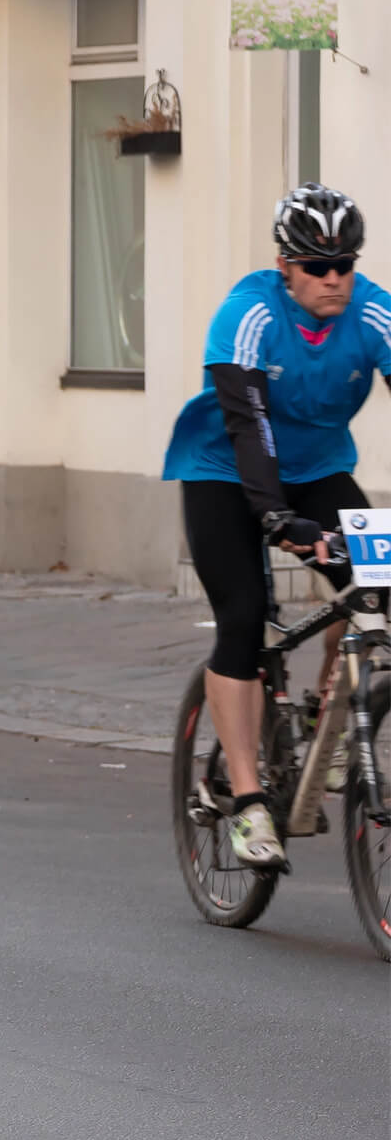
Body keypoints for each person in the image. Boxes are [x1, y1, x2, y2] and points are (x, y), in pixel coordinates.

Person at [162, 183, 391, 869]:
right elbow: (249, 426)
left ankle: (332, 722)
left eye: (344, 264)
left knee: (373, 584)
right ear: (285, 265)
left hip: (317, 468)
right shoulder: (250, 314)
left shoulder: (374, 312)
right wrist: (276, 518)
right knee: (243, 616)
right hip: (225, 472)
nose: (333, 279)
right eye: (317, 266)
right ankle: (248, 798)